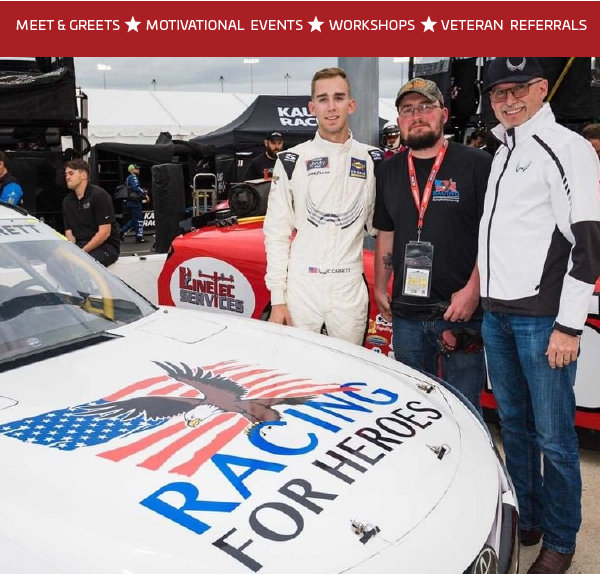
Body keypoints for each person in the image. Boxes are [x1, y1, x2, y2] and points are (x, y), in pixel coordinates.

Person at [479, 57, 600, 574]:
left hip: (542, 321)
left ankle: (561, 539)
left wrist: (569, 325)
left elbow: (589, 243)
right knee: (515, 428)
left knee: (554, 437)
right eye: (497, 92)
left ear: (543, 89)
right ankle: (529, 517)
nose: (507, 100)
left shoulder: (566, 147)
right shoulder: (502, 150)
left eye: (518, 89)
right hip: (497, 316)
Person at [373, 78, 492, 412]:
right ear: (399, 121)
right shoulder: (389, 169)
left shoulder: (477, 164)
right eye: (408, 110)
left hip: (460, 312)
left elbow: (492, 234)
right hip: (407, 312)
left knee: (465, 407)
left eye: (425, 107)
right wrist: (382, 287)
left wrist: (473, 290)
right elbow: (386, 231)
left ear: (443, 114)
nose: (417, 115)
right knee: (414, 408)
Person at [264, 67, 383, 345]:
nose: (331, 107)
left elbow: (380, 228)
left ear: (351, 105)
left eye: (339, 98)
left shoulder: (372, 159)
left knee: (349, 371)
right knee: (298, 371)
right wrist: (278, 299)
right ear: (312, 107)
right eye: (323, 99)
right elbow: (276, 233)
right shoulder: (291, 159)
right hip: (302, 285)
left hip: (349, 284)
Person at [62, 159, 120, 266]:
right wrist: (72, 251)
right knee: (52, 263)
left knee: (81, 263)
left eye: (71, 173)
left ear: (83, 175)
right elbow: (69, 233)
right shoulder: (67, 201)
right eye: (66, 174)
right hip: (80, 246)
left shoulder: (99, 196)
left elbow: (104, 232)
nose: (67, 177)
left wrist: (83, 252)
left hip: (105, 247)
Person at [120, 163, 148, 243]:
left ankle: (121, 231)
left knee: (134, 219)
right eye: (137, 169)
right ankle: (139, 237)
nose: (138, 170)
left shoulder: (129, 178)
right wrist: (145, 194)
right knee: (139, 219)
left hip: (131, 201)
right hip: (134, 202)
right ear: (132, 170)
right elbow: (136, 188)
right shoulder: (133, 177)